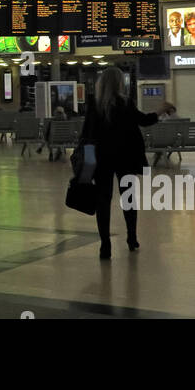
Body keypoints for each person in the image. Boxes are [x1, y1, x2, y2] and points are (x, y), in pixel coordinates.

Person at [81, 68, 161, 260]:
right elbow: (144, 120)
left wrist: (87, 162)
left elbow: (88, 134)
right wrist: (160, 111)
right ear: (119, 83)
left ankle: (105, 245)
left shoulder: (94, 105)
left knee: (103, 201)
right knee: (129, 199)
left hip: (101, 160)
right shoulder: (125, 103)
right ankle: (132, 238)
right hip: (125, 158)